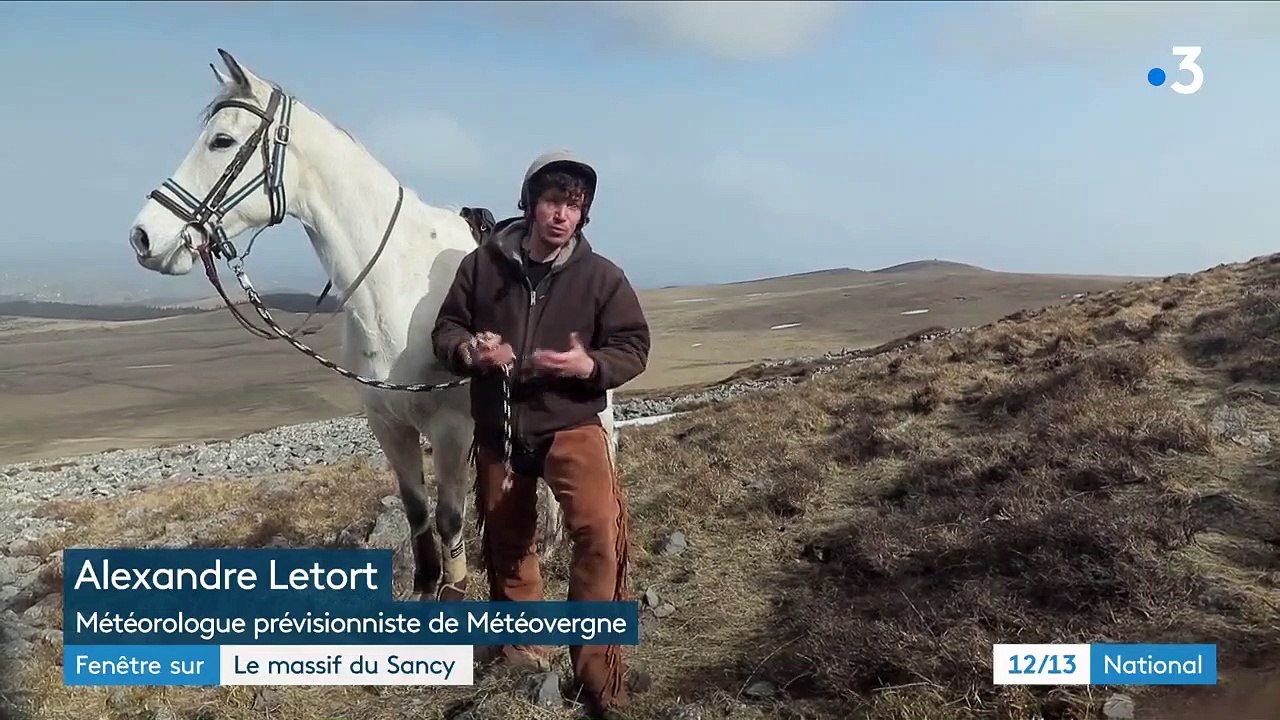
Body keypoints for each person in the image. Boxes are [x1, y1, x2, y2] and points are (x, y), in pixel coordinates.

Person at [431, 150, 651, 718]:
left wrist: (590, 366)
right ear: (530, 204)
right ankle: (524, 657)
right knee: (508, 541)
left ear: (583, 215)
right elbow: (447, 328)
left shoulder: (602, 277)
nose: (562, 215)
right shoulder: (482, 267)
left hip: (573, 424)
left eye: (574, 206)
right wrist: (468, 350)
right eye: (553, 201)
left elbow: (633, 346)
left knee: (599, 535)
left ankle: (598, 679)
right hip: (500, 426)